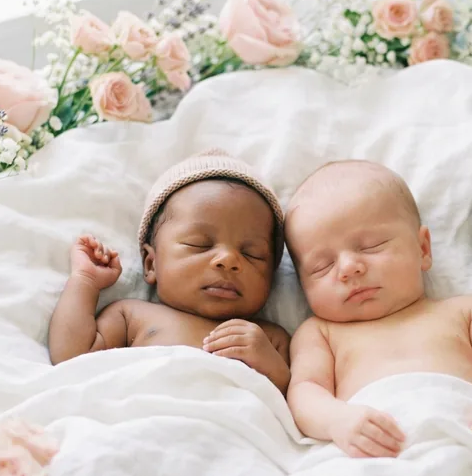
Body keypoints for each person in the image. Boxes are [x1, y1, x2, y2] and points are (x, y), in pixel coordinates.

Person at [284, 160, 472, 458]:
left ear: (423, 249)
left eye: (370, 246)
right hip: (371, 457)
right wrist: (337, 420)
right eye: (322, 266)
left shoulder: (465, 312)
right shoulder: (320, 332)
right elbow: (305, 392)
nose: (348, 268)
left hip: (469, 442)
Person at [48, 149, 292, 391]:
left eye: (252, 254)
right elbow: (71, 357)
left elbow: (293, 398)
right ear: (151, 263)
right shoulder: (132, 317)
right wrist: (84, 280)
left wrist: (271, 366)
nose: (228, 259)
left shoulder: (269, 338)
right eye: (200, 244)